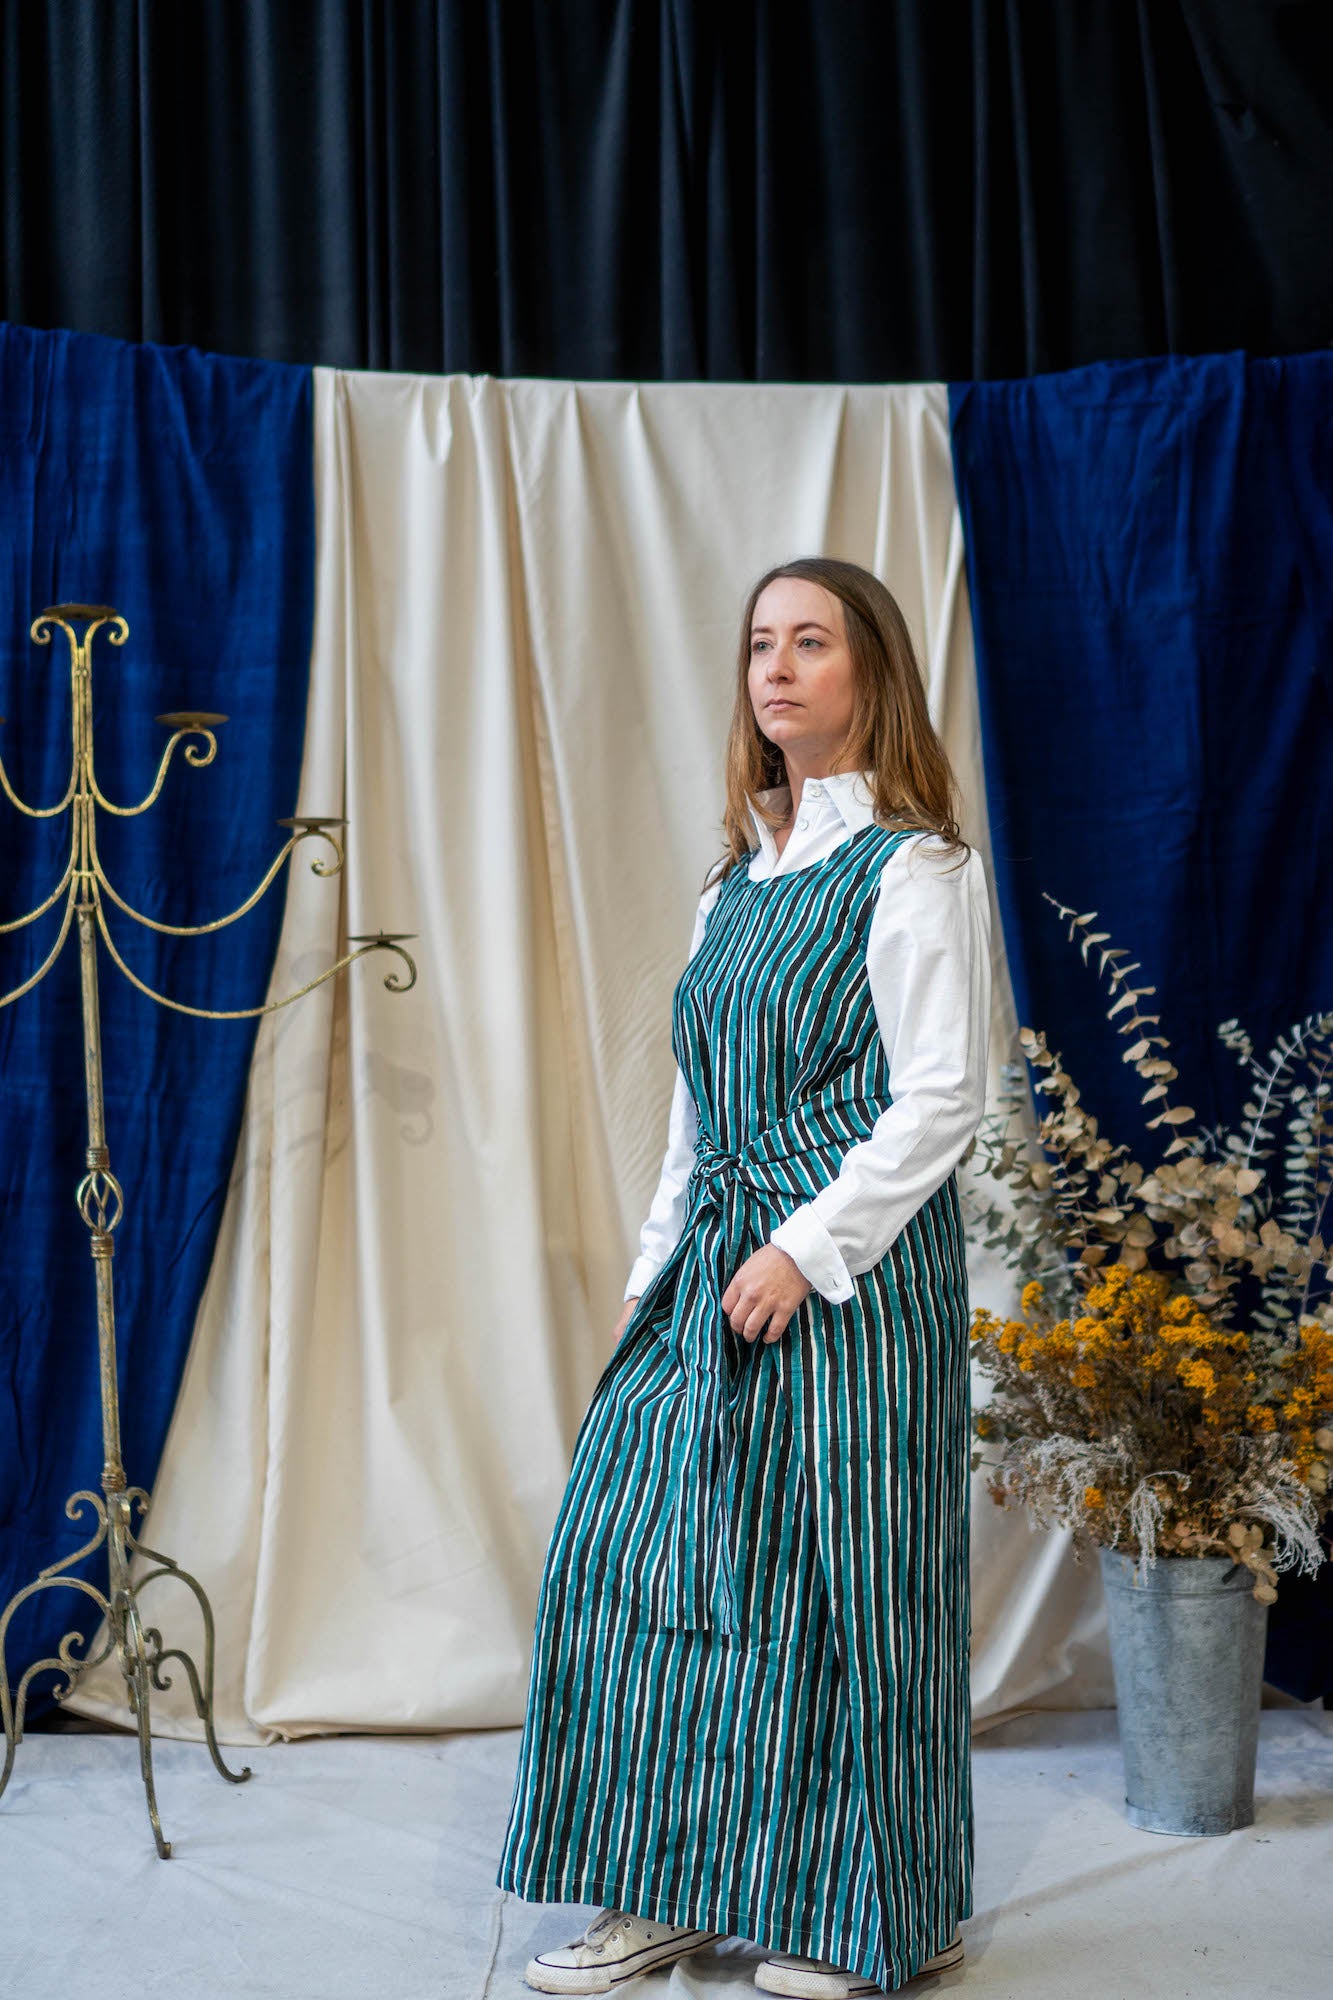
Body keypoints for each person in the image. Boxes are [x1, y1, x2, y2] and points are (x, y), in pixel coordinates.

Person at [496, 556, 992, 1996]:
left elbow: (941, 1099)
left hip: (851, 1280)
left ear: (871, 673)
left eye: (811, 642)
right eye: (761, 644)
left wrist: (803, 1247)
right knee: (640, 1561)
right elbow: (695, 1110)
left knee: (842, 1583)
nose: (775, 667)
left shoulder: (916, 869)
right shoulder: (735, 880)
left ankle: (874, 1918)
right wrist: (653, 1274)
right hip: (715, 1261)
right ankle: (665, 1887)